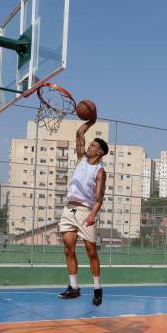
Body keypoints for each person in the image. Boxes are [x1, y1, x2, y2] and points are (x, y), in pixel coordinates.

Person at [57, 115, 107, 306]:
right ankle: (74, 288)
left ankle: (97, 288)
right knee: (68, 249)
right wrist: (92, 121)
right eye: (90, 144)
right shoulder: (81, 159)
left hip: (86, 211)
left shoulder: (100, 171)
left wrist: (93, 215)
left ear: (100, 152)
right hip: (69, 209)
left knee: (91, 251)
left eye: (93, 146)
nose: (90, 147)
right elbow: (79, 132)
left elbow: (99, 198)